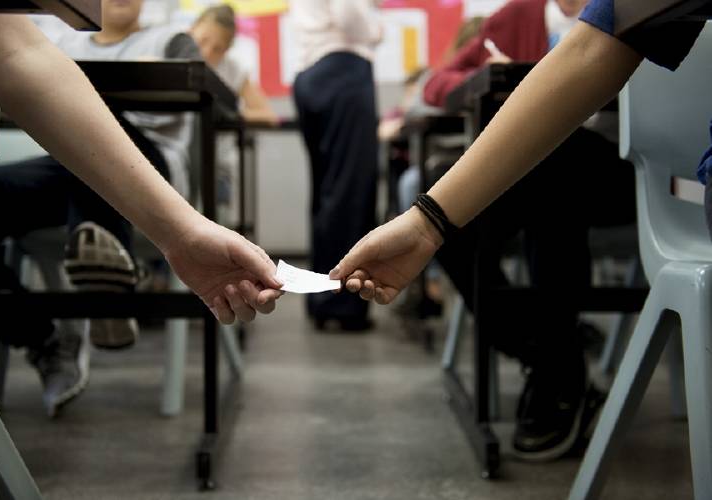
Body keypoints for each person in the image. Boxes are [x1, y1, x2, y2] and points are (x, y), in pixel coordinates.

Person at [332, 0, 707, 461]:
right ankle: (549, 356)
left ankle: (556, 367)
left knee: (556, 175)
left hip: (623, 173)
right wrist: (428, 219)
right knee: (454, 205)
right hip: (539, 168)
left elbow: (598, 48)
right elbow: (441, 82)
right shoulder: (517, 17)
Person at [0, 12, 282, 417]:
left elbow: (216, 94)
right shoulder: (66, 42)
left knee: (102, 123)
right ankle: (45, 335)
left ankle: (107, 256)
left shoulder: (173, 39)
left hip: (151, 170)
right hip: (66, 167)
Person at [290, 0, 383, 331]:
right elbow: (348, 12)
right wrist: (375, 29)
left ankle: (322, 297)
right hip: (343, 69)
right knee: (350, 192)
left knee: (328, 192)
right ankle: (342, 304)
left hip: (312, 74)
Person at [188, 4, 278, 225]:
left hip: (218, 166)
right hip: (183, 160)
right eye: (202, 41)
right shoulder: (176, 57)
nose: (207, 52)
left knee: (216, 223)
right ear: (191, 31)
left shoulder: (233, 69)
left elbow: (268, 115)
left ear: (227, 50)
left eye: (218, 48)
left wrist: (228, 115)